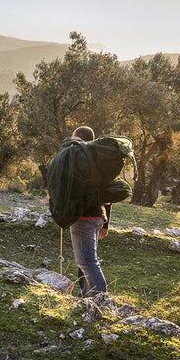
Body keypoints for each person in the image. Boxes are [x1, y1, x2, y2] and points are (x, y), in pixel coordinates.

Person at [68, 124, 112, 297]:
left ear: (78, 139)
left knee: (88, 262)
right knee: (85, 260)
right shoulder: (100, 162)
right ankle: (85, 296)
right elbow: (108, 194)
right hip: (97, 217)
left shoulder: (80, 161)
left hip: (84, 217)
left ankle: (101, 301)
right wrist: (106, 223)